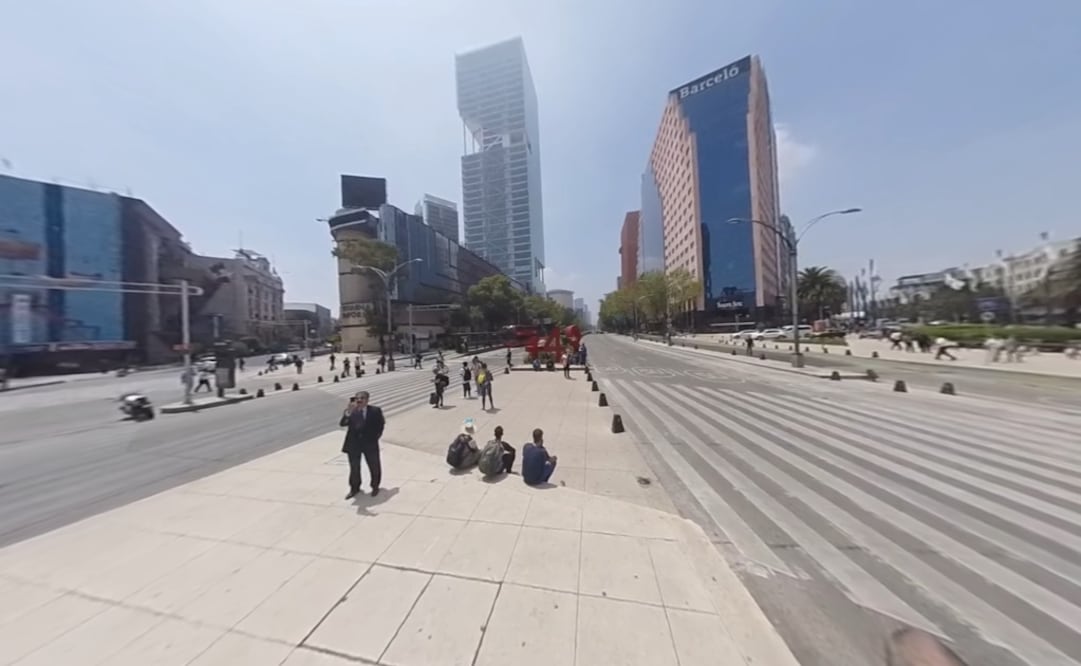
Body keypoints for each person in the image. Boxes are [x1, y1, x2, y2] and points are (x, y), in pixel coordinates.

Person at [339, 391, 385, 499]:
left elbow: (380, 425)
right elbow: (342, 423)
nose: (359, 400)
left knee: (374, 466)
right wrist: (348, 413)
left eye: (362, 398)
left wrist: (375, 438)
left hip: (370, 444)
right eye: (357, 398)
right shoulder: (351, 411)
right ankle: (354, 488)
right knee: (354, 468)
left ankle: (375, 486)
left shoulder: (375, 411)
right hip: (354, 444)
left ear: (367, 400)